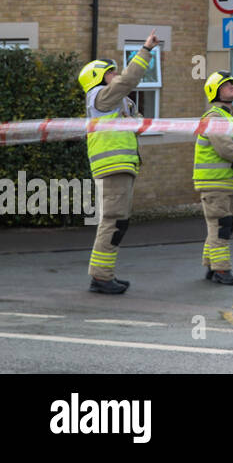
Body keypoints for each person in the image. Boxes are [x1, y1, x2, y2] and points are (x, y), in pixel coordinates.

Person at [79, 29, 160, 294]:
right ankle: (100, 278)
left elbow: (138, 121)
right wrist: (146, 50)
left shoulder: (116, 101)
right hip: (112, 168)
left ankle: (103, 274)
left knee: (119, 222)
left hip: (122, 167)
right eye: (111, 72)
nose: (115, 75)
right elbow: (127, 81)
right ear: (98, 77)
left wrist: (132, 119)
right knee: (113, 221)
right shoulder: (100, 98)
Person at [193, 71, 233, 285]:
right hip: (215, 181)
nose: (231, 86)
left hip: (230, 180)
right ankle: (221, 271)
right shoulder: (213, 117)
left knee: (222, 225)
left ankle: (211, 266)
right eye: (225, 84)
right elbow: (225, 147)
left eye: (231, 83)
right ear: (215, 92)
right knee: (221, 225)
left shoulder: (232, 118)